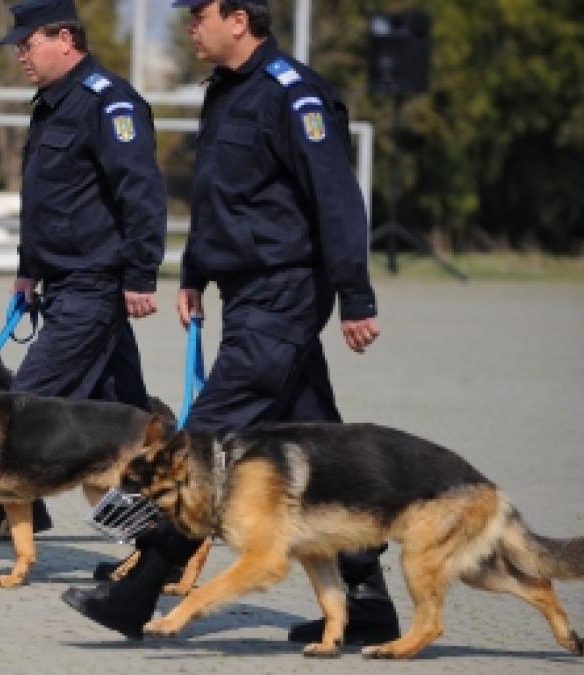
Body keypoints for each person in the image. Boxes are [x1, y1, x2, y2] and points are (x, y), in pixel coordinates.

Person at [61, 0, 402, 646]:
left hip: (285, 294)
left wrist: (356, 295)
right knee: (325, 447)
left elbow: (337, 198)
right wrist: (193, 272)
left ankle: (142, 585)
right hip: (247, 298)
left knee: (204, 442)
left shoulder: (295, 95)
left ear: (239, 19)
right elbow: (219, 197)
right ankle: (365, 595)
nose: (189, 25)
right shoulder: (224, 92)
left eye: (200, 14)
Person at [0, 0, 168, 582]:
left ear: (66, 38)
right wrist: (28, 269)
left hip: (95, 285)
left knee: (17, 415)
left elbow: (140, 192)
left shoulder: (109, 101)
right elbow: (48, 203)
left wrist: (141, 275)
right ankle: (158, 545)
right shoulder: (53, 104)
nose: (21, 54)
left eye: (29, 43)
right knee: (127, 425)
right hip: (63, 281)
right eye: (18, 46)